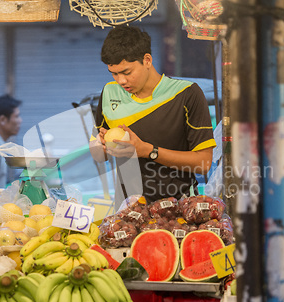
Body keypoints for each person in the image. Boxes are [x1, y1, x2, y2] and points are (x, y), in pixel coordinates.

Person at [89, 25, 216, 207]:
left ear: (147, 60)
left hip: (178, 208)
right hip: (129, 209)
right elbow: (98, 156)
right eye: (114, 74)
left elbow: (203, 163)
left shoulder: (186, 93)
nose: (121, 81)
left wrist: (148, 150)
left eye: (127, 72)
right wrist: (100, 146)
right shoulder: (109, 92)